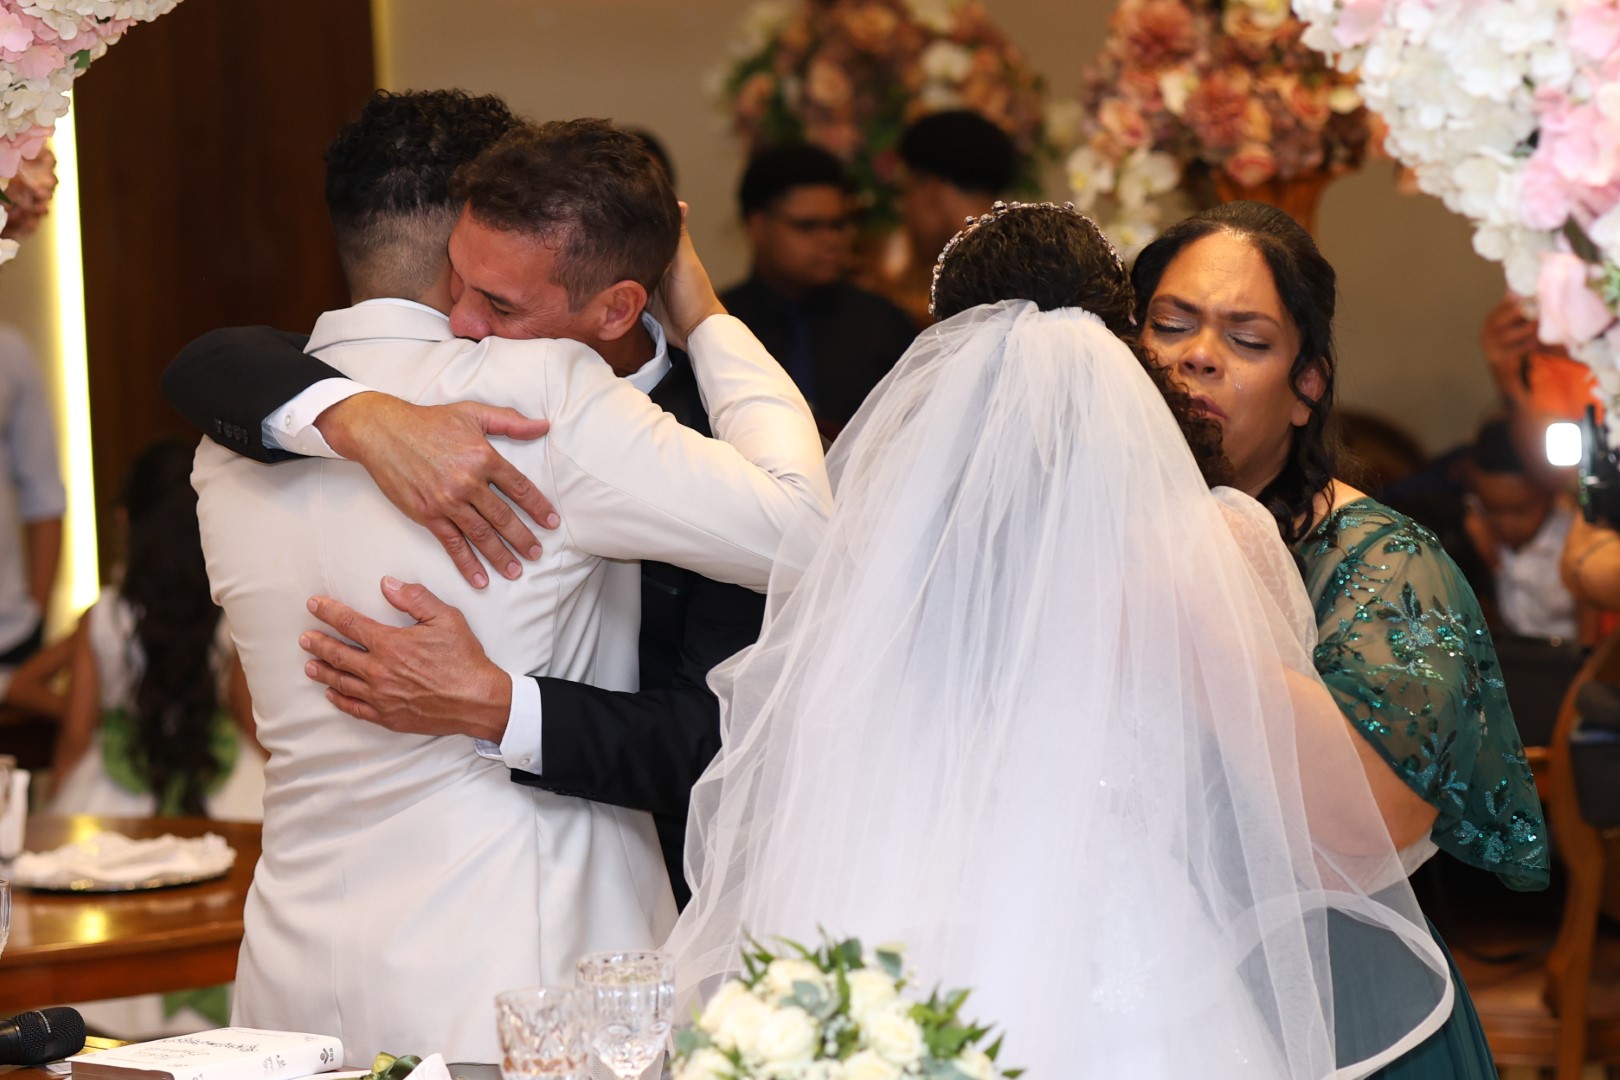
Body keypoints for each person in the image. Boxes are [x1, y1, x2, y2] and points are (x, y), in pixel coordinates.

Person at [667, 203, 1452, 1078]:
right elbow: (1312, 819)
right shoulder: (1201, 539)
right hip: (1135, 963)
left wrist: (703, 317)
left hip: (890, 918)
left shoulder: (881, 545)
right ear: (1119, 348)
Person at [187, 95, 829, 1063]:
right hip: (518, 966)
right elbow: (808, 535)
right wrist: (703, 314)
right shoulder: (542, 393)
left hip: (291, 972)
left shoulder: (241, 434)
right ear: (472, 226)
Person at [1132, 200, 1549, 1079]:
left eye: (1247, 339)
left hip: (1343, 1017)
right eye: (1170, 325)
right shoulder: (1084, 536)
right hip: (1123, 991)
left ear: (1308, 387)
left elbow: (1376, 828)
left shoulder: (1381, 563)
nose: (1198, 355)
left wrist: (1199, 591)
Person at [47, 439, 261, 1038]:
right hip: (225, 787)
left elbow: (76, 733)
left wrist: (55, 812)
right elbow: (248, 717)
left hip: (115, 792)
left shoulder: (105, 613)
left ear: (126, 523)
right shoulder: (228, 610)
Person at [720, 143, 916, 438]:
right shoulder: (723, 324)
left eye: (838, 225)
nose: (830, 240)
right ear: (758, 226)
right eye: (808, 226)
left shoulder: (882, 323)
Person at [862, 109, 1020, 327]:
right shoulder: (1032, 261)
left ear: (931, 189)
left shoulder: (947, 293)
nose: (904, 211)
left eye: (906, 193)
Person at [1464, 418, 1577, 640]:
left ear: (1550, 494)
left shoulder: (1572, 538)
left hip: (1564, 650)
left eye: (1519, 512)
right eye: (1492, 510)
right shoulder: (1476, 525)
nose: (1506, 524)